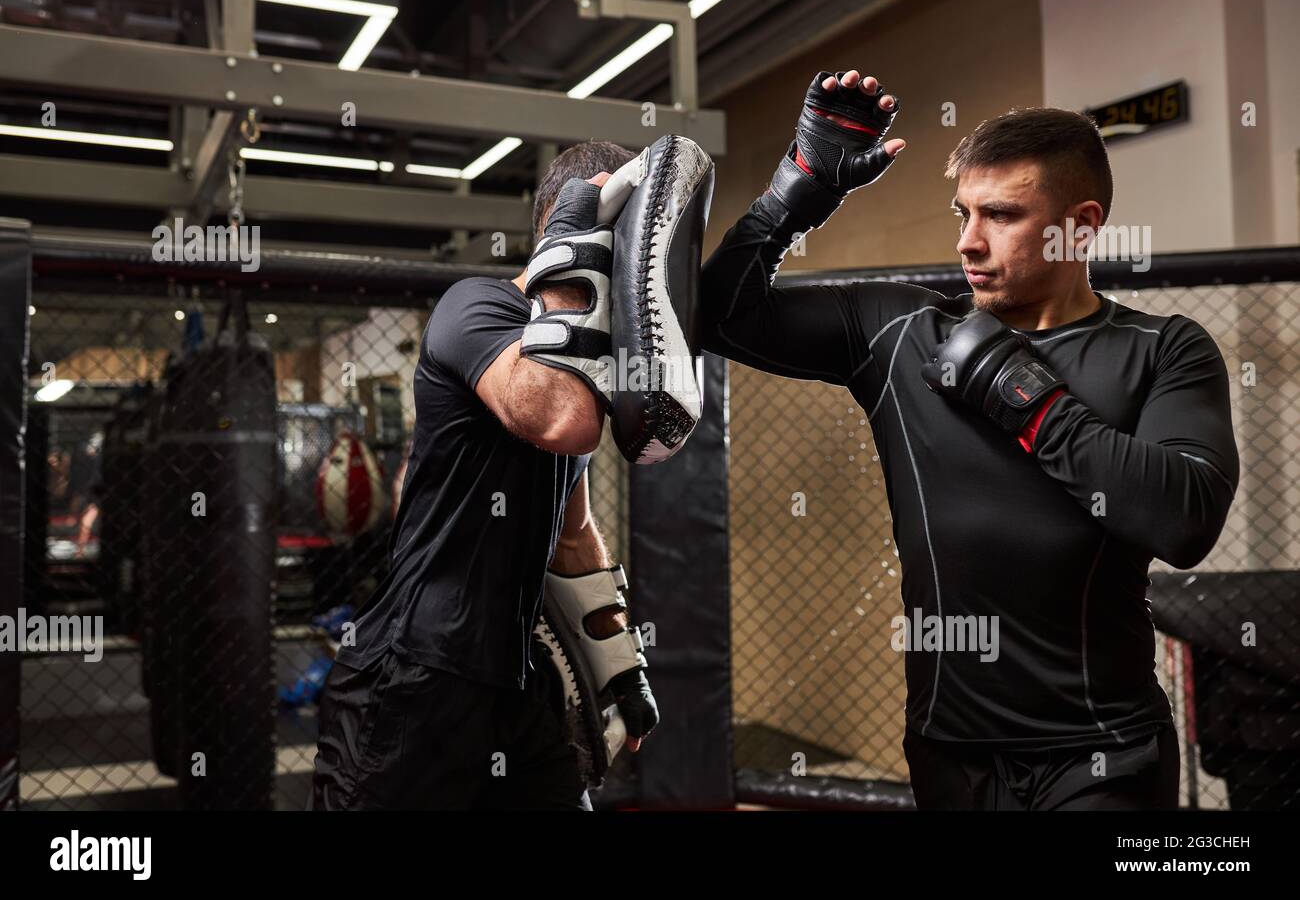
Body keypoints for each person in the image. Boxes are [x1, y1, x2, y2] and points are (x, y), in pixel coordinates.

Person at [699, 69, 1239, 810]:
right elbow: (718, 317)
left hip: (1102, 753)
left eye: (1002, 216)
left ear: (1080, 225)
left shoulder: (1163, 349)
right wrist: (794, 194)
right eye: (962, 214)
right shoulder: (899, 329)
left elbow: (1183, 520)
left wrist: (1021, 396)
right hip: (948, 751)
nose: (968, 243)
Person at [312, 142, 659, 810]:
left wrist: (621, 667)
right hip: (412, 674)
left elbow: (574, 534)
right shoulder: (475, 308)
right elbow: (555, 417)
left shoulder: (584, 360)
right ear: (573, 221)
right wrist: (573, 254)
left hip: (514, 677)